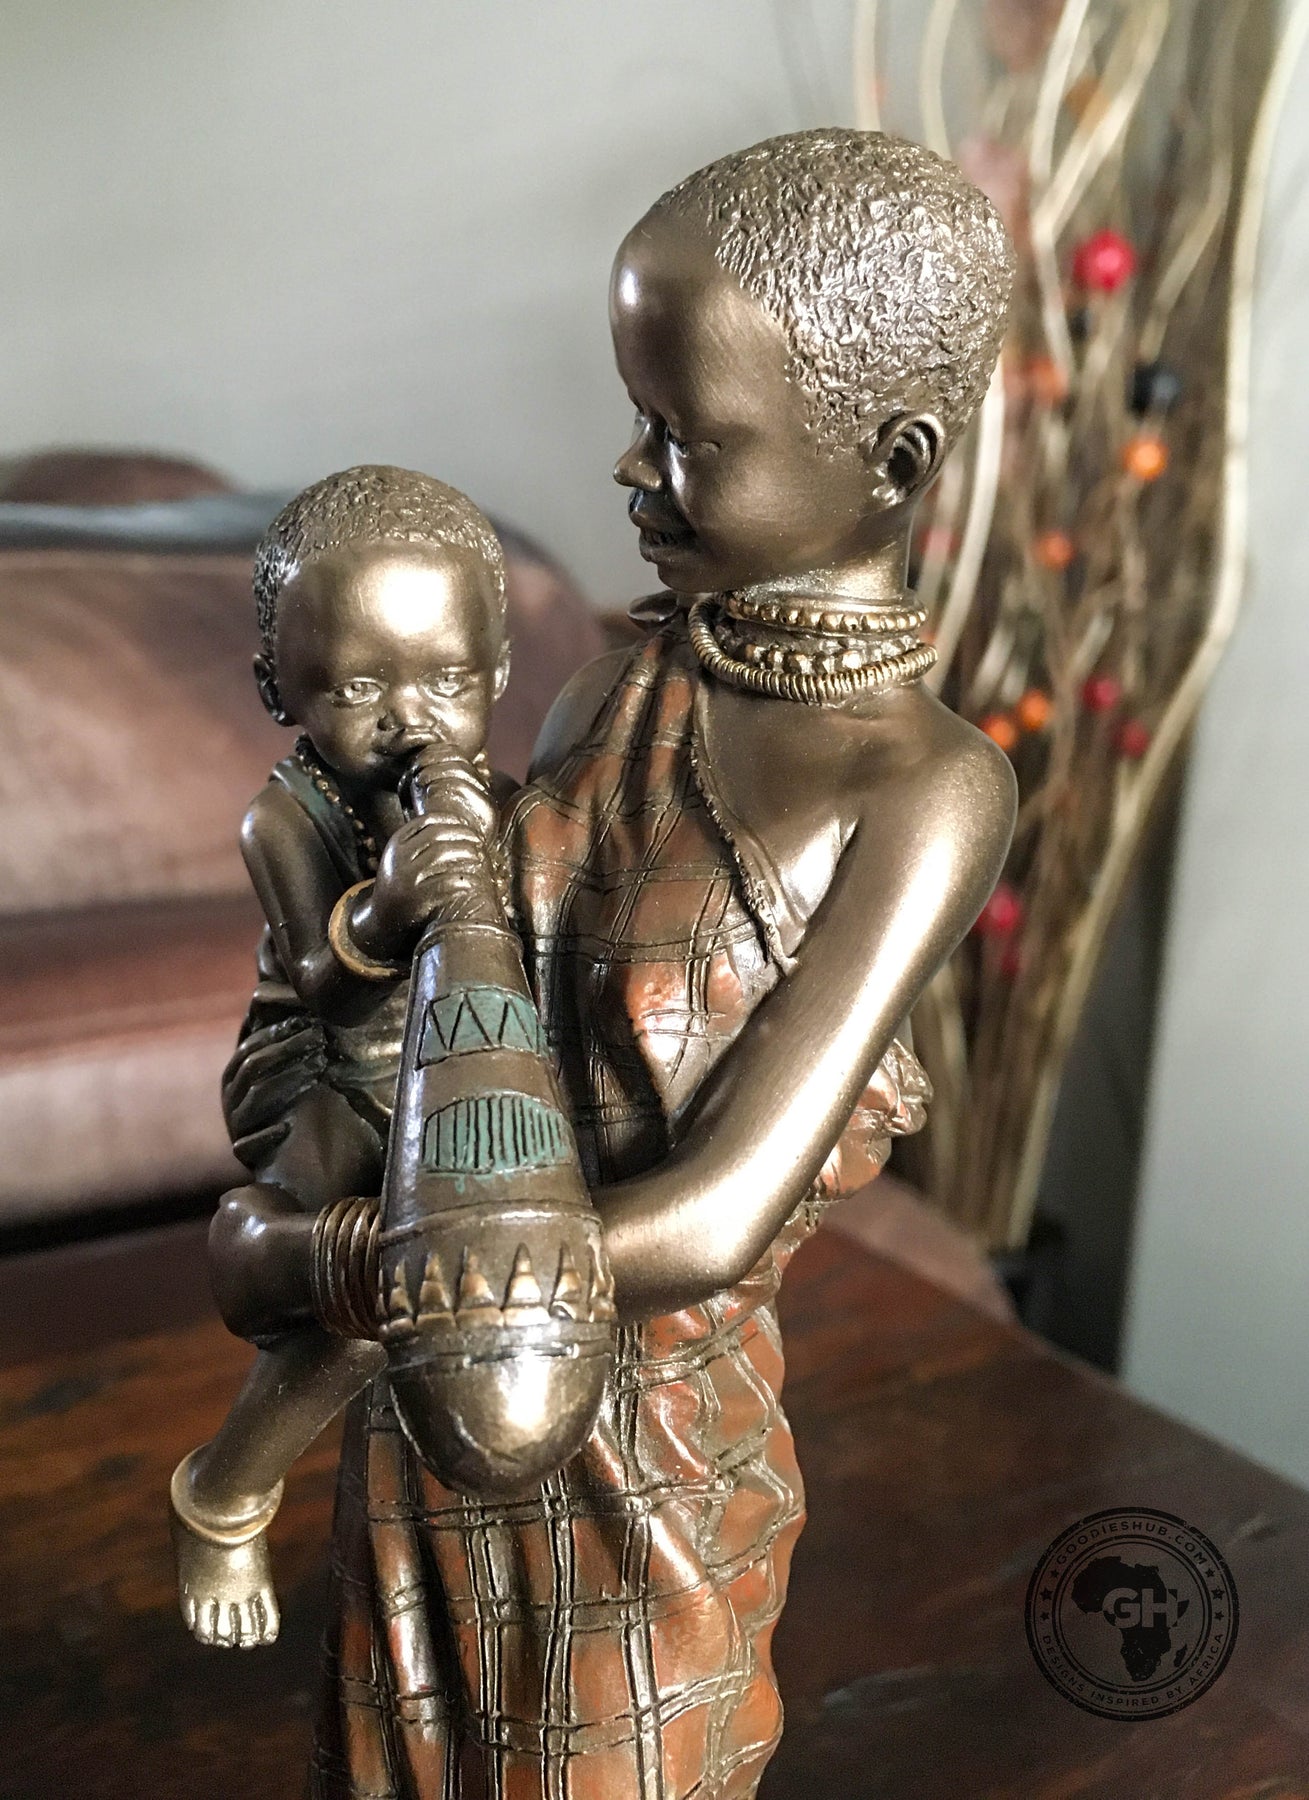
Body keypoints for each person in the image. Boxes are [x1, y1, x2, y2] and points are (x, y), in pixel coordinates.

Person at [212, 130, 1018, 1798]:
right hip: (433, 1416)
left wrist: (339, 1266)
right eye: (635, 414)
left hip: (639, 1435)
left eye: (686, 436)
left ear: (891, 459)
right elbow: (446, 1004)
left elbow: (716, 1217)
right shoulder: (604, 692)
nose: (631, 471)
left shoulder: (925, 790)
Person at [170, 465, 513, 1647]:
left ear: (498, 671)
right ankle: (224, 1490)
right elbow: (322, 981)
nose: (409, 718)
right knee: (362, 1280)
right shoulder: (285, 817)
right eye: (361, 687)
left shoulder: (498, 799)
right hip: (321, 1063)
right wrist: (391, 904)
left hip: (457, 1051)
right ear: (280, 688)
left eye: (446, 680)